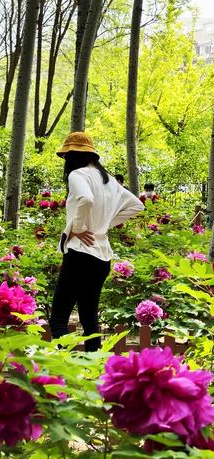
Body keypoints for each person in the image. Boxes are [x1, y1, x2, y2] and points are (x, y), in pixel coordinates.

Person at [49, 132, 144, 351]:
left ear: (72, 156)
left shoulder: (77, 175)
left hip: (80, 253)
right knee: (89, 319)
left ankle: (65, 373)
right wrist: (104, 225)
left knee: (58, 321)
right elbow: (137, 205)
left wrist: (80, 228)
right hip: (101, 257)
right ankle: (93, 370)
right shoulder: (109, 181)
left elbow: (86, 199)